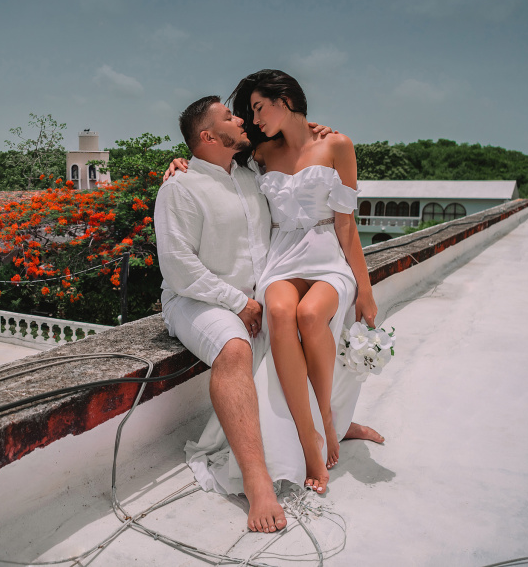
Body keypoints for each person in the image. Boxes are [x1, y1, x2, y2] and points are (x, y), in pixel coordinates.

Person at [155, 95, 336, 533]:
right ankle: (257, 484)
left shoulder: (253, 174)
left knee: (304, 324)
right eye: (229, 117)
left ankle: (334, 424)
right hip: (196, 299)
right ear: (208, 136)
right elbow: (179, 268)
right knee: (235, 348)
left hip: (254, 298)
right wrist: (237, 303)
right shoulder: (179, 187)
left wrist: (316, 131)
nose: (240, 120)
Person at [237, 69, 376, 494]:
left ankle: (328, 421)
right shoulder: (260, 152)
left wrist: (365, 289)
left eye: (259, 108)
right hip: (281, 257)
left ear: (284, 99)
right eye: (251, 112)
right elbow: (213, 154)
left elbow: (346, 225)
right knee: (280, 312)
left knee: (312, 315)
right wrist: (181, 162)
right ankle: (308, 437)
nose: (255, 119)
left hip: (328, 255)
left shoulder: (337, 144)